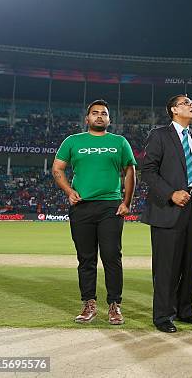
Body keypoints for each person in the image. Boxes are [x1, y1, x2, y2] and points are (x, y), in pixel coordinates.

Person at [52, 99, 136, 325]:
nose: (100, 116)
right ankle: (89, 303)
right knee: (86, 259)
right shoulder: (73, 141)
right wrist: (69, 191)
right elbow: (57, 168)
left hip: (111, 206)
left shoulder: (119, 142)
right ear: (87, 118)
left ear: (109, 119)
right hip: (82, 207)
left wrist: (126, 201)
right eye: (95, 113)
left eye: (104, 113)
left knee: (111, 256)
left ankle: (114, 305)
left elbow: (130, 172)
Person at [140, 94, 192, 333]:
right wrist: (170, 194)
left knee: (188, 264)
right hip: (167, 208)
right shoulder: (159, 135)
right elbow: (148, 171)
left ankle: (184, 310)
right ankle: (162, 316)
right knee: (166, 266)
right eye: (186, 103)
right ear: (173, 109)